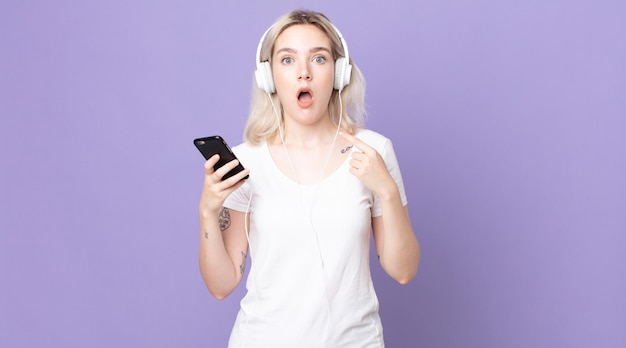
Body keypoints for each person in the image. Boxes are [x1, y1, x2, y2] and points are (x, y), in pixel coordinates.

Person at [198, 9, 420, 348]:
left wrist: (387, 191)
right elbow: (221, 284)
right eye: (287, 60)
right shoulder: (247, 161)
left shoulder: (374, 152)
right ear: (268, 77)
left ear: (339, 72)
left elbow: (403, 270)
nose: (304, 73)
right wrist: (207, 212)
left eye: (318, 58)